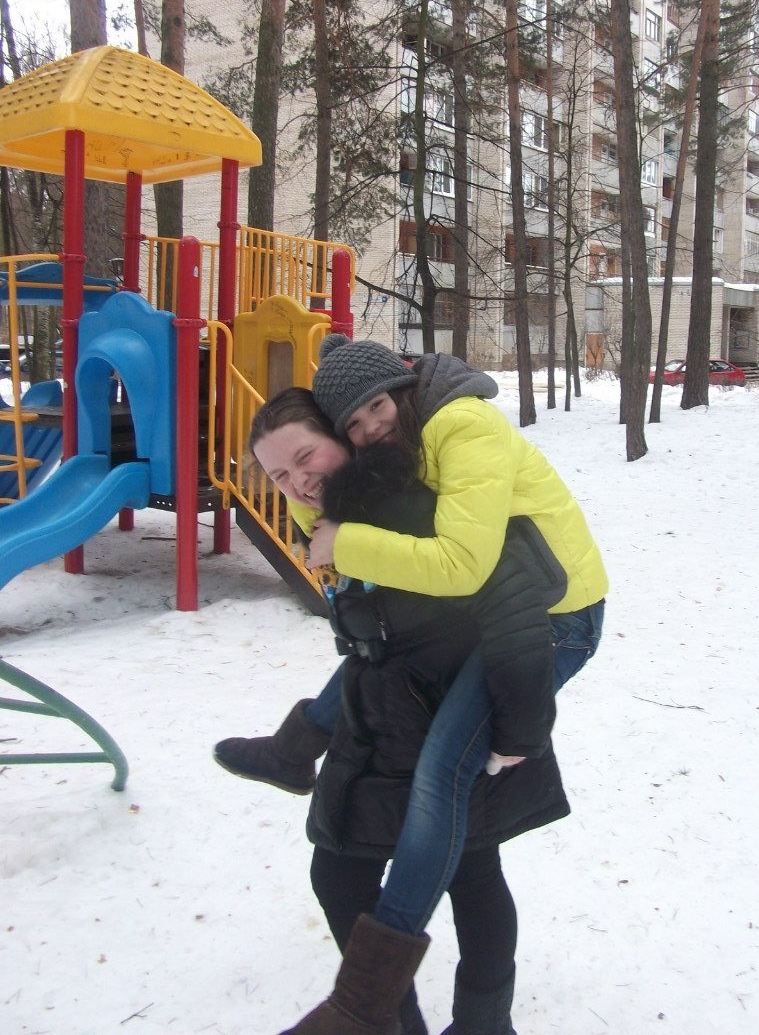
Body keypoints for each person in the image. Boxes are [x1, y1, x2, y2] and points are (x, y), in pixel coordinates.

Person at [218, 388, 573, 1035]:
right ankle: (395, 1022)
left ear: (343, 438)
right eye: (279, 475)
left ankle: (477, 1025)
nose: (298, 482)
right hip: (376, 715)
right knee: (340, 872)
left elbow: (509, 601)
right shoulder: (332, 513)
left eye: (305, 457)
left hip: (449, 711)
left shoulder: (410, 505)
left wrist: (517, 726)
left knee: (470, 873)